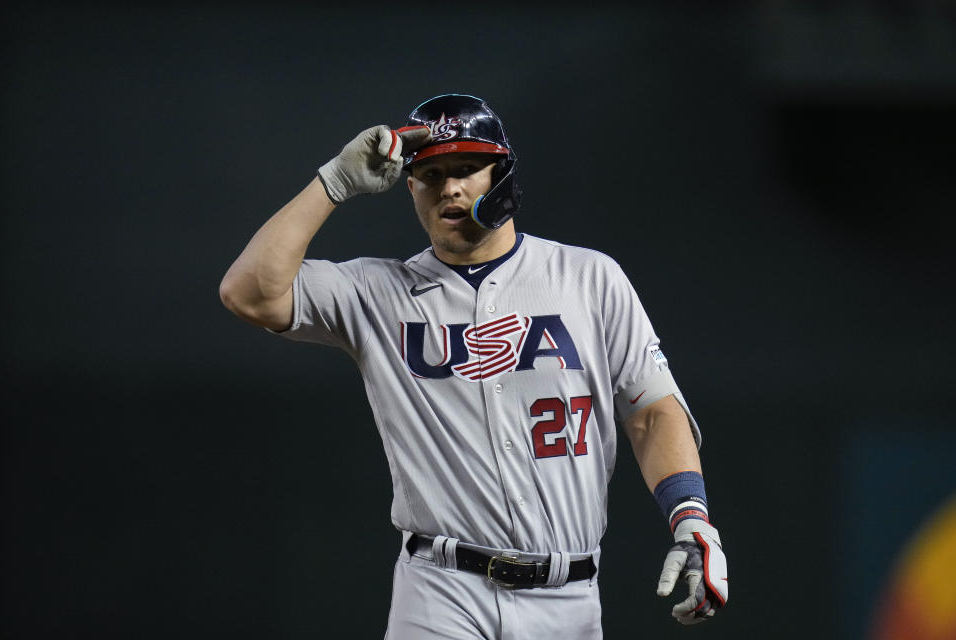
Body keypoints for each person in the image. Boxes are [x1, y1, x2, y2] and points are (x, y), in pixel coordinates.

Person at [219, 93, 728, 638]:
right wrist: (333, 183)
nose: (450, 188)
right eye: (430, 174)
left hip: (569, 595)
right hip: (441, 592)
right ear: (409, 187)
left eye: (467, 168)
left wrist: (691, 517)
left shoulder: (589, 278)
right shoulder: (376, 291)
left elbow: (652, 412)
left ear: (503, 175)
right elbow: (248, 292)